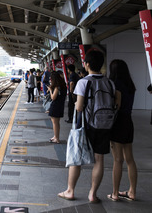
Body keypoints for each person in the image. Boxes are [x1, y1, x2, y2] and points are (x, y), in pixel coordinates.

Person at [58, 50, 120, 203]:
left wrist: (76, 103)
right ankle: (93, 194)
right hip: (104, 125)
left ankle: (70, 191)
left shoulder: (84, 82)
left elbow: (79, 107)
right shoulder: (109, 83)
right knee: (99, 160)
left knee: (76, 159)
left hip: (86, 126)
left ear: (86, 65)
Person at [107, 59, 137, 202]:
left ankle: (115, 193)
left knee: (118, 160)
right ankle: (132, 191)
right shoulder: (130, 85)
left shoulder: (116, 84)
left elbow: (116, 106)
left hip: (118, 122)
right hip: (128, 121)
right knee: (129, 159)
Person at [47, 71, 67, 143]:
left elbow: (53, 97)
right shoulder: (63, 86)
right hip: (60, 106)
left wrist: (50, 90)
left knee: (55, 123)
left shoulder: (57, 87)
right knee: (57, 123)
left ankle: (57, 139)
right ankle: (55, 136)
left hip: (55, 106)